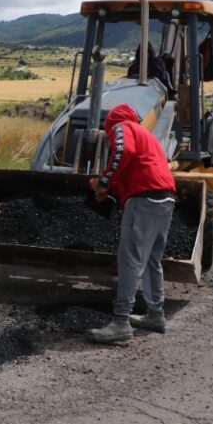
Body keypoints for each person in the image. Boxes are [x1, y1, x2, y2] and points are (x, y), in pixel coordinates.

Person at [87, 103, 177, 344]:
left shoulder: (121, 126)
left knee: (130, 260)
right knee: (151, 260)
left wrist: (104, 181)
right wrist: (108, 187)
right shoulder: (148, 136)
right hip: (165, 198)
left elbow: (121, 152)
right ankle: (155, 315)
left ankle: (120, 321)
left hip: (145, 200)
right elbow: (135, 168)